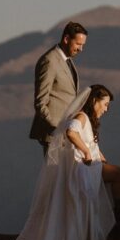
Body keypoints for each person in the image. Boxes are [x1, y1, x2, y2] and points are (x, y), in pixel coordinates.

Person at [0, 84, 120, 240]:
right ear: (94, 101)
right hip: (82, 169)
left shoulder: (88, 120)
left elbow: (90, 142)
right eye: (105, 104)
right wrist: (86, 152)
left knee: (114, 174)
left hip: (87, 166)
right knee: (118, 175)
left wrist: (98, 154)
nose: (106, 109)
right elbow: (71, 132)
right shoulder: (81, 116)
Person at [30, 22, 88, 154]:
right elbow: (40, 102)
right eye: (78, 44)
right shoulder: (50, 61)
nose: (81, 49)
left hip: (68, 134)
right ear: (66, 39)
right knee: (55, 169)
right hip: (54, 136)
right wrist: (57, 127)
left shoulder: (67, 61)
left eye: (83, 45)